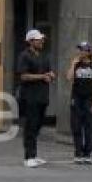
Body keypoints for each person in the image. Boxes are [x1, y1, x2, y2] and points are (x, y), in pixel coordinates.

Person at [17, 29, 55, 168]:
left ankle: (34, 154)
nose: (42, 41)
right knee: (31, 126)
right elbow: (23, 76)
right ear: (31, 41)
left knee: (38, 125)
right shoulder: (24, 56)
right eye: (39, 40)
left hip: (42, 96)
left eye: (42, 39)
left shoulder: (44, 56)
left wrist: (51, 74)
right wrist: (41, 77)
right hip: (30, 96)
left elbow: (48, 72)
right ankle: (29, 156)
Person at [66, 42, 92, 164]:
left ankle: (87, 154)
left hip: (89, 99)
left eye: (83, 50)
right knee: (76, 126)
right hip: (76, 98)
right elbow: (69, 78)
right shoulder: (76, 64)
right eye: (79, 50)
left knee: (88, 127)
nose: (80, 52)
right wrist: (73, 64)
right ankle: (78, 153)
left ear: (88, 52)